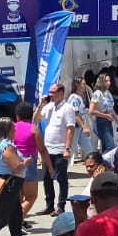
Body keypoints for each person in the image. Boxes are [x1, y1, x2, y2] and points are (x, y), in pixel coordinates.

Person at [38, 83, 76, 216]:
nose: (50, 95)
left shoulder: (67, 108)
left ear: (61, 93)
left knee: (61, 178)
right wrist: (40, 105)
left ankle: (61, 206)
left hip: (60, 149)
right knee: (46, 178)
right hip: (48, 149)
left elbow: (71, 128)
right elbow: (36, 119)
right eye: (50, 92)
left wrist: (67, 148)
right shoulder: (49, 107)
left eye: (53, 92)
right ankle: (49, 205)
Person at [13, 101, 42, 222]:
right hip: (29, 164)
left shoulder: (11, 128)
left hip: (13, 163)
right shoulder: (33, 129)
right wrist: (50, 167)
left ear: (17, 116)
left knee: (18, 196)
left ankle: (19, 220)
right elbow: (42, 149)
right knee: (31, 196)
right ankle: (17, 219)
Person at [89, 73, 118, 151]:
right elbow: (91, 110)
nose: (108, 83)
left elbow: (111, 110)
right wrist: (106, 116)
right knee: (110, 146)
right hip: (101, 122)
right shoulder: (97, 93)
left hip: (109, 122)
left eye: (109, 81)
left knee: (106, 148)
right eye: (106, 81)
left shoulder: (108, 93)